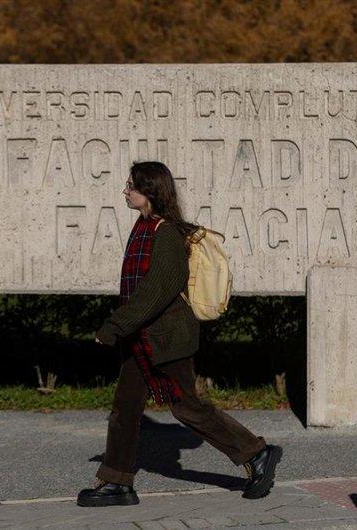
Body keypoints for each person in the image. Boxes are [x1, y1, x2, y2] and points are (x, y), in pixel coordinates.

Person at [76, 161, 282, 508]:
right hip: (143, 339)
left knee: (187, 408)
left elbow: (156, 291)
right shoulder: (143, 227)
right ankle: (116, 482)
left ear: (150, 192)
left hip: (166, 339)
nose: (125, 191)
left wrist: (114, 326)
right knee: (126, 408)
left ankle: (255, 453)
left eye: (131, 186)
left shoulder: (167, 234)